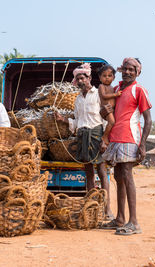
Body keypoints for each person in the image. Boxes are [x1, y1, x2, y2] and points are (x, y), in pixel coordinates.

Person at [55, 63, 113, 220]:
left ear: (89, 78)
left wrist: (104, 139)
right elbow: (77, 121)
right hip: (82, 135)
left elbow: (107, 119)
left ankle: (107, 209)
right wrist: (63, 120)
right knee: (88, 172)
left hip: (96, 134)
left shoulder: (98, 94)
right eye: (78, 78)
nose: (81, 80)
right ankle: (89, 206)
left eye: (83, 77)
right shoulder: (77, 100)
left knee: (101, 171)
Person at [101, 57, 152, 235]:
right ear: (121, 70)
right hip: (115, 138)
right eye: (126, 69)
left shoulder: (139, 90)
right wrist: (104, 112)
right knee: (118, 176)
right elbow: (106, 113)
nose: (129, 72)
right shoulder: (116, 89)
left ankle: (134, 222)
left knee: (127, 176)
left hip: (130, 138)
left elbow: (148, 119)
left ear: (138, 72)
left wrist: (143, 144)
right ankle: (120, 218)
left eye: (132, 69)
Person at [97, 65, 121, 148]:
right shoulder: (101, 86)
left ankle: (108, 136)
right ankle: (105, 136)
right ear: (100, 78)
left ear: (114, 78)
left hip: (112, 109)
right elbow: (104, 96)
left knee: (114, 123)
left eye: (109, 76)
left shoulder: (112, 87)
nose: (107, 78)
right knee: (112, 122)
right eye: (104, 76)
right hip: (106, 109)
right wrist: (115, 94)